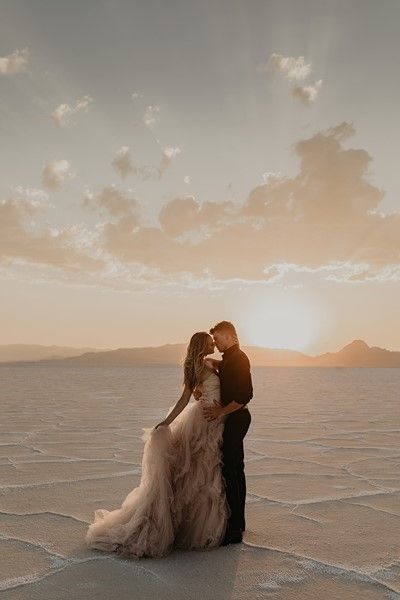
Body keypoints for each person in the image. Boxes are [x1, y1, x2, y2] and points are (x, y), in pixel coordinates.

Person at [85, 332, 230, 558]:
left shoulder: (209, 363)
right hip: (203, 421)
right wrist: (167, 422)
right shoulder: (194, 369)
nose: (214, 344)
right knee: (201, 472)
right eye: (210, 342)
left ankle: (201, 527)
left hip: (215, 418)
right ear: (202, 345)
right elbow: (185, 398)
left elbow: (208, 386)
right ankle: (193, 529)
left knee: (206, 473)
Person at [196, 321, 253, 545]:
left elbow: (245, 395)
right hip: (234, 418)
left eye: (218, 339)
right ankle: (239, 522)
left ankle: (234, 530)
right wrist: (216, 363)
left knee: (231, 470)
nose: (216, 343)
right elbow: (227, 369)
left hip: (238, 418)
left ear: (229, 336)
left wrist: (221, 411)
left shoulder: (239, 358)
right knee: (236, 469)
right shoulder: (230, 357)